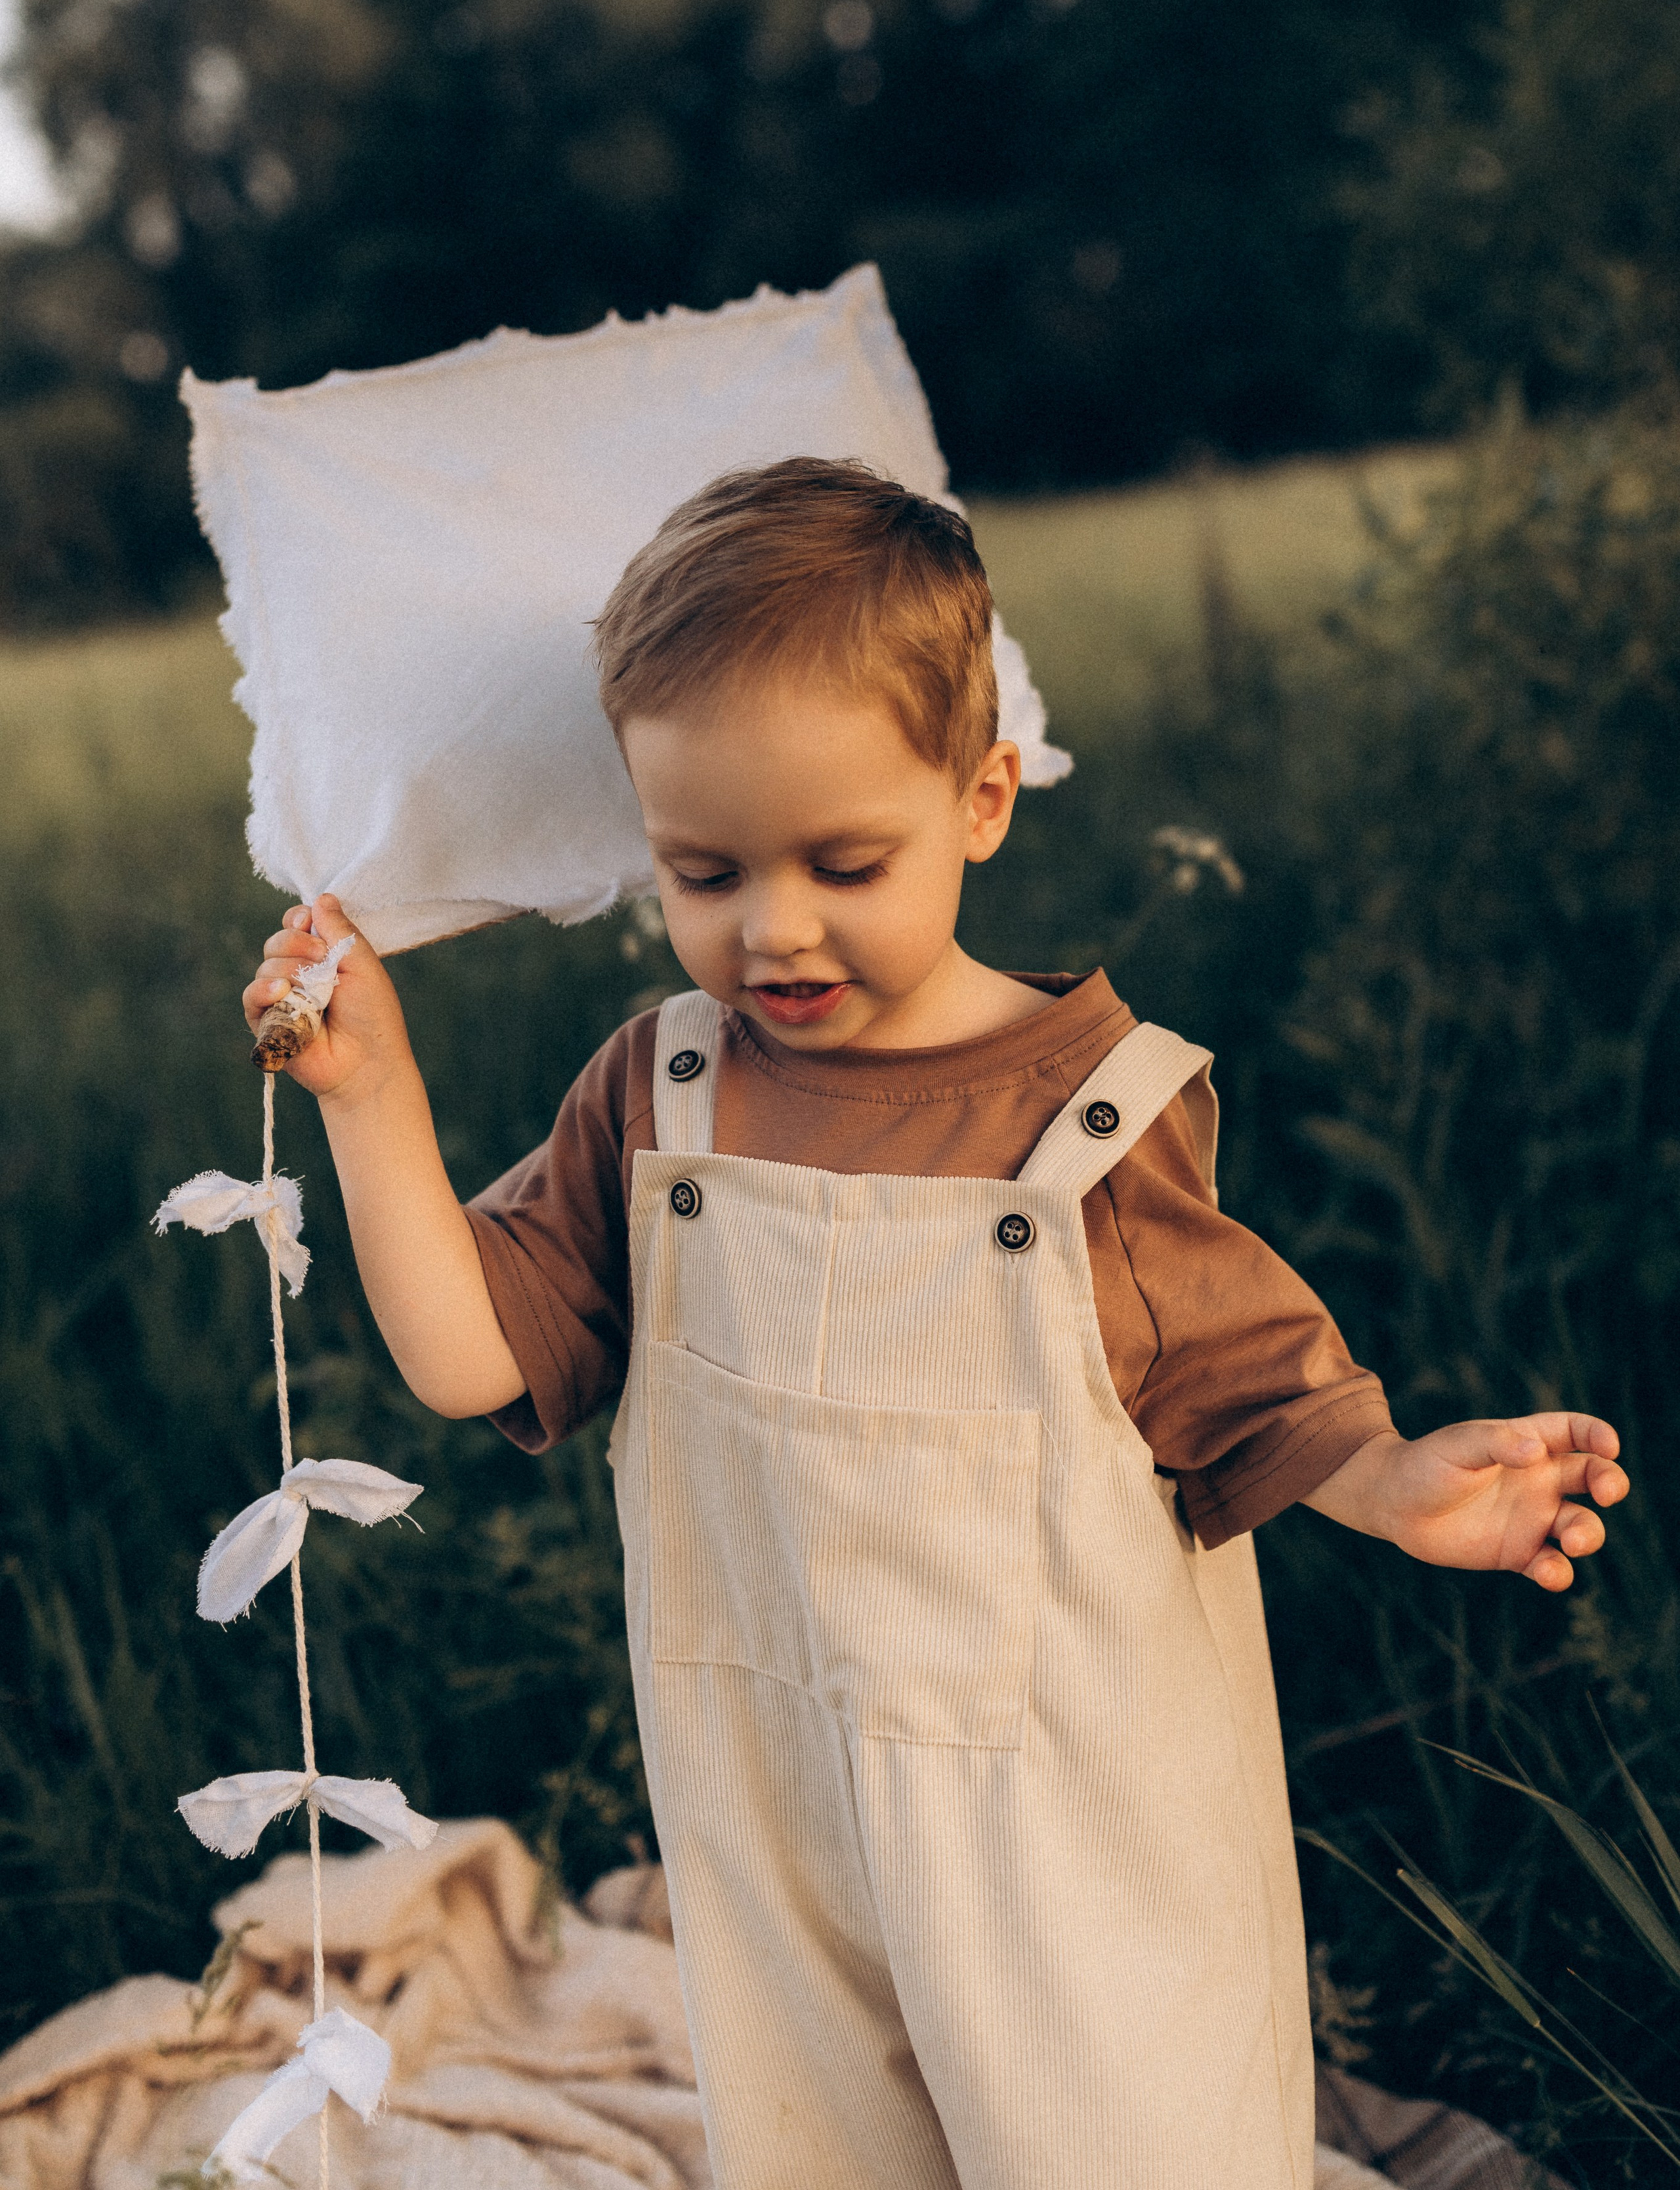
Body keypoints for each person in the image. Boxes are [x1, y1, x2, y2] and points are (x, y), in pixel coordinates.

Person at [244, 457, 1629, 2190]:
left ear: (981, 798)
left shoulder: (1088, 1123)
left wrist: (1403, 1481)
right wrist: (375, 1099)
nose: (777, 928)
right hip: (771, 1809)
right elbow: (472, 1362)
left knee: (1127, 2138)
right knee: (835, 2145)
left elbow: (1252, 1382)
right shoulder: (660, 1100)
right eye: (705, 869)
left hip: (1069, 1831)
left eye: (846, 860)